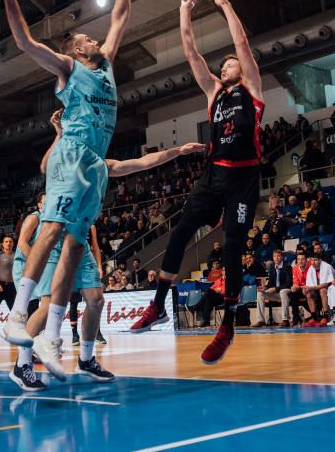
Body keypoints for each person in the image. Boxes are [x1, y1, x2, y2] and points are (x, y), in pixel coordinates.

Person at [0, 0, 144, 359]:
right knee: (54, 228)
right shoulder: (68, 67)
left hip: (94, 163)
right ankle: (18, 313)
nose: (94, 39)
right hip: (71, 154)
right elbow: (24, 42)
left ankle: (54, 339)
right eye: (86, 38)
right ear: (77, 49)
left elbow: (120, 17)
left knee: (76, 245)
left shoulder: (107, 64)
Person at [14, 108, 203, 387]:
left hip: (79, 241)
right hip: (55, 242)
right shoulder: (67, 159)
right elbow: (48, 163)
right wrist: (59, 133)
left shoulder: (103, 164)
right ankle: (22, 365)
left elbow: (143, 162)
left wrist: (178, 151)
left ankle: (87, 359)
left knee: (96, 299)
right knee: (46, 307)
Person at [129, 0, 265, 366]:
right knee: (182, 230)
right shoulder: (214, 94)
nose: (226, 65)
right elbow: (191, 54)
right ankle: (157, 306)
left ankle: (227, 326)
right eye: (223, 65)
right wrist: (184, 10)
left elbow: (241, 43)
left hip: (243, 178)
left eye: (231, 63)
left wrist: (223, 4)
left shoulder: (252, 90)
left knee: (235, 248)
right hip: (213, 175)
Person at [256, 249, 292, 326]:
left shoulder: (287, 267)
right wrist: (265, 287)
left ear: (282, 257)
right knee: (260, 294)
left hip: (287, 292)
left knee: (283, 292)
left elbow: (289, 284)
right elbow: (271, 283)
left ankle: (285, 320)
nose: (276, 258)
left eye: (278, 256)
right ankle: (261, 320)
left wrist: (276, 289)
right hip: (276, 293)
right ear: (273, 258)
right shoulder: (272, 267)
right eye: (274, 256)